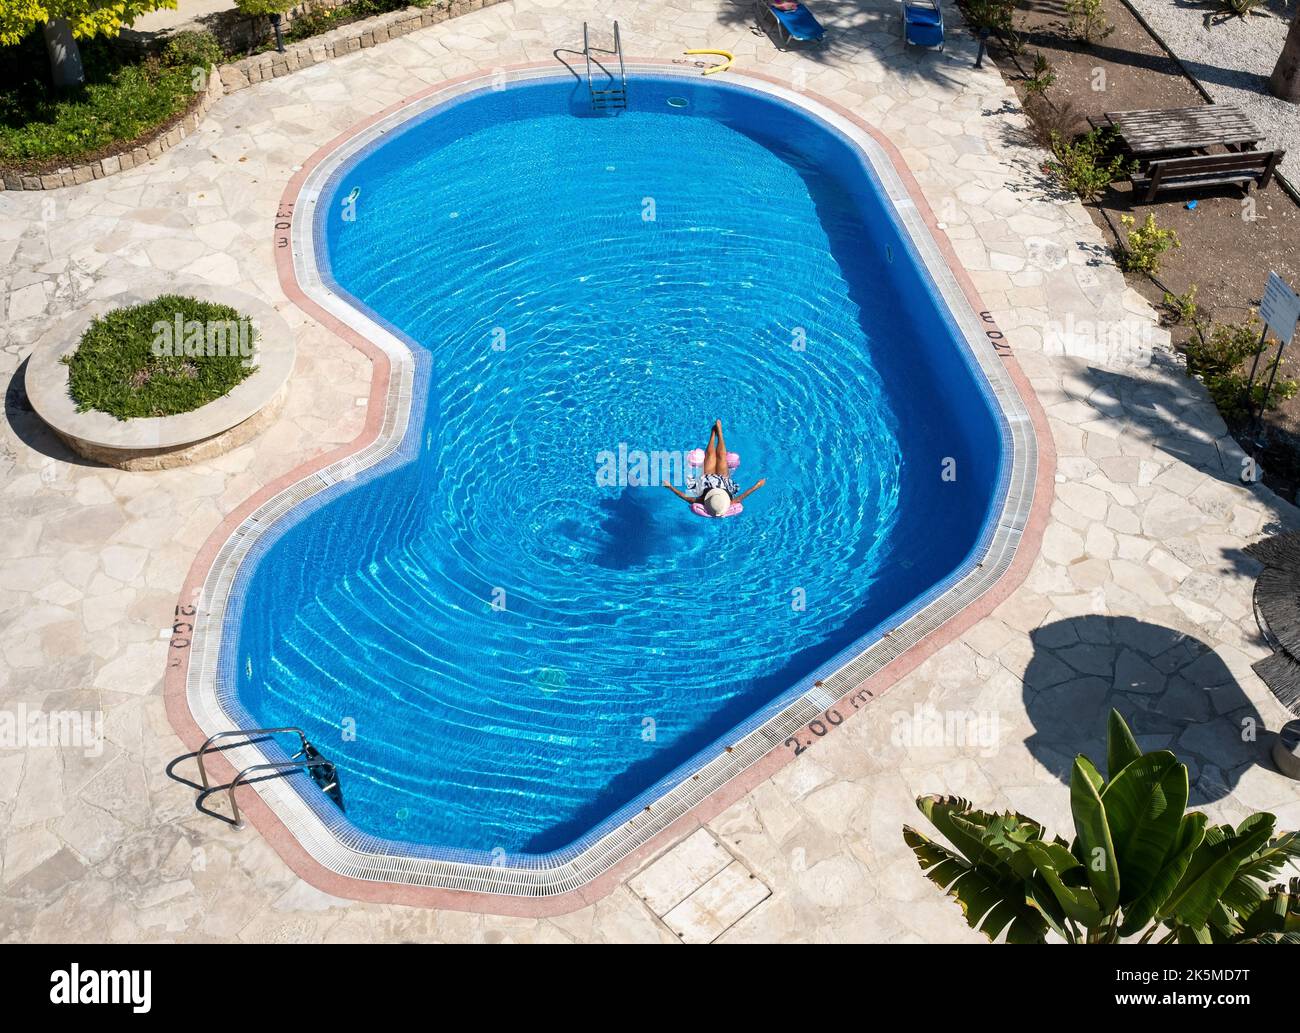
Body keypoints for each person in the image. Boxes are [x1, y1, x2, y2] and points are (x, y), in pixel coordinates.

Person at [663, 420, 766, 516]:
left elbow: (685, 497)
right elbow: (743, 496)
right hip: (723, 481)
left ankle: (713, 434)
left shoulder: (702, 501)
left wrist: (670, 487)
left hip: (707, 481)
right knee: (721, 457)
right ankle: (720, 433)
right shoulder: (729, 503)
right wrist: (757, 485)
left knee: (711, 456)